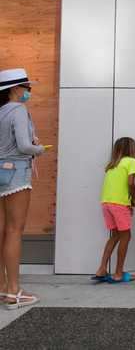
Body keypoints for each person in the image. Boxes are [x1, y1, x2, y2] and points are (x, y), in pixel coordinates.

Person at [0, 68, 49, 309]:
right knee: (14, 231)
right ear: (14, 89)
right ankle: (13, 291)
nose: (29, 91)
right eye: (26, 87)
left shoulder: (1, 111)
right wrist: (39, 149)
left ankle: (2, 286)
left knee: (2, 231)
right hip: (16, 173)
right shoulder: (19, 110)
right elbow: (23, 146)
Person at [93, 137, 135, 284]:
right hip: (119, 205)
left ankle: (101, 269)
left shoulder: (112, 165)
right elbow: (131, 183)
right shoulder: (132, 161)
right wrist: (133, 198)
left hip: (106, 203)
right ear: (132, 149)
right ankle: (118, 273)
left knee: (115, 236)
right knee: (126, 236)